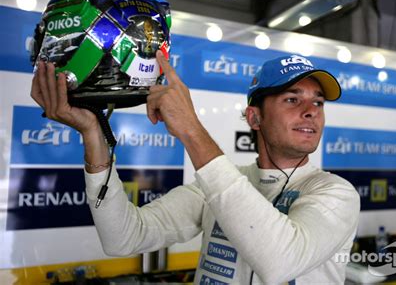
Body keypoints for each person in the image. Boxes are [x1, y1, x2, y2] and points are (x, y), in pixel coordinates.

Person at [31, 52, 360, 284]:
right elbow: (123, 238)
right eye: (292, 99)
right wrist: (93, 134)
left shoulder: (335, 193)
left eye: (317, 102)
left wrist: (191, 128)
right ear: (254, 117)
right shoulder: (218, 186)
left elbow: (279, 262)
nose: (311, 111)